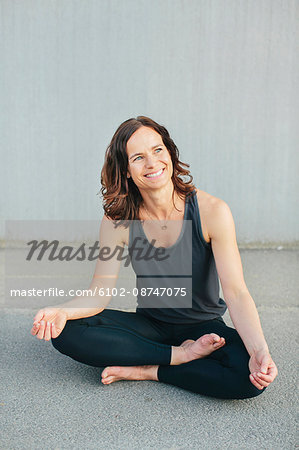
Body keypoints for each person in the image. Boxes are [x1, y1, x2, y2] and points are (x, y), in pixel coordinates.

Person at [30, 116, 278, 399]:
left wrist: (260, 350)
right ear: (125, 171)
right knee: (65, 332)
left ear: (170, 153)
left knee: (250, 379)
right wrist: (62, 312)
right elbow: (99, 294)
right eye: (138, 157)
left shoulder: (212, 211)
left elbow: (236, 292)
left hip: (203, 327)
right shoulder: (118, 219)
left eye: (158, 150)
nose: (152, 163)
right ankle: (178, 356)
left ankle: (148, 370)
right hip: (149, 326)